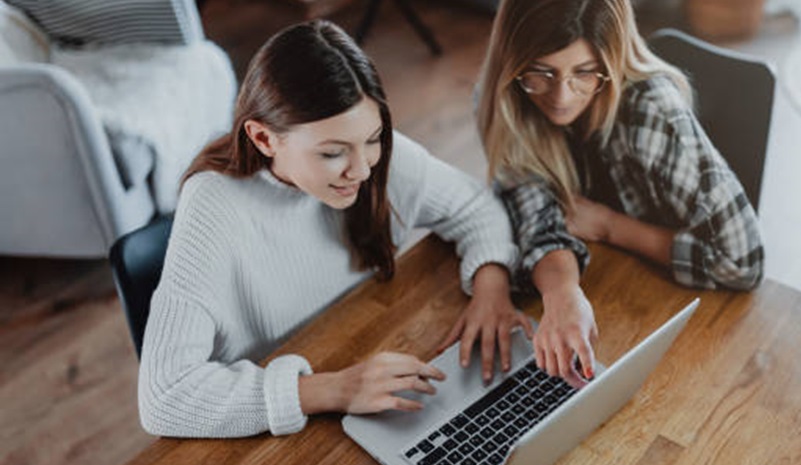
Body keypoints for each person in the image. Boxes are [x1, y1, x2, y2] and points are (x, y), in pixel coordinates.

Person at [138, 20, 531, 438]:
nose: (361, 169)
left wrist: (491, 287)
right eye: (332, 153)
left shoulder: (368, 155)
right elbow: (164, 398)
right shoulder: (214, 205)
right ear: (264, 139)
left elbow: (474, 204)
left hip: (370, 361)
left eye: (374, 138)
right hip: (281, 434)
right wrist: (335, 389)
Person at [474, 0, 764, 387]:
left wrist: (612, 227)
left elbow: (743, 264)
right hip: (607, 287)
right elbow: (531, 207)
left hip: (686, 318)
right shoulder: (506, 97)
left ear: (611, 63)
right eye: (540, 73)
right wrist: (562, 292)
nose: (561, 97)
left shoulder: (654, 113)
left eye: (584, 73)